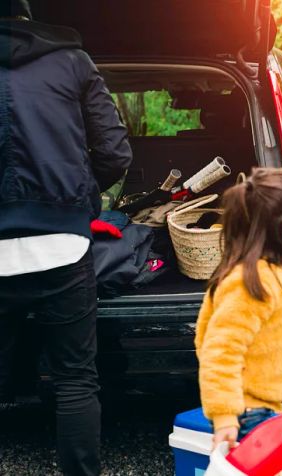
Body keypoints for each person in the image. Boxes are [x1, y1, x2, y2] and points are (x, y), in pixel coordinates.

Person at [0, 1, 132, 474]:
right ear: (30, 17)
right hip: (64, 246)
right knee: (75, 380)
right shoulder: (71, 60)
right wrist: (76, 199)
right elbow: (116, 152)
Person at [195, 168, 282, 449]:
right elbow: (219, 350)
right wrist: (224, 416)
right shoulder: (252, 282)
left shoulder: (267, 273)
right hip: (248, 414)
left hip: (265, 410)